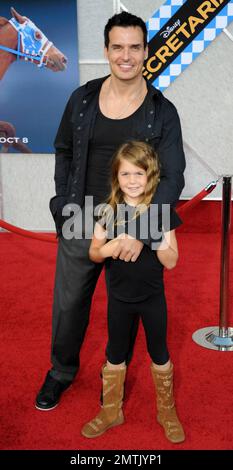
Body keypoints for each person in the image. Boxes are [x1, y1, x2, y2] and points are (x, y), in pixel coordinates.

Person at [35, 11, 185, 411]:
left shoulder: (162, 110)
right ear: (106, 50)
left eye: (134, 47)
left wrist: (142, 231)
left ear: (146, 51)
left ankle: (112, 375)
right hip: (82, 216)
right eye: (117, 46)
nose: (126, 55)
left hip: (134, 224)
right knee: (69, 307)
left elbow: (172, 179)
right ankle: (60, 372)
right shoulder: (82, 99)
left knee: (126, 308)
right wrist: (63, 202)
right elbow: (64, 149)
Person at [81, 141, 185, 444]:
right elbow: (94, 254)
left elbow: (173, 260)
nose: (132, 180)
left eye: (139, 173)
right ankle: (111, 410)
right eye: (125, 174)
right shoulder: (107, 210)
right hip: (119, 300)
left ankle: (166, 411)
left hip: (153, 299)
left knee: (160, 354)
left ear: (150, 175)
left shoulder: (161, 213)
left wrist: (151, 237)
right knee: (115, 355)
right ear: (116, 176)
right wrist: (112, 245)